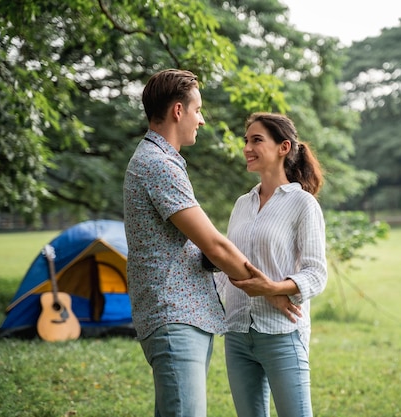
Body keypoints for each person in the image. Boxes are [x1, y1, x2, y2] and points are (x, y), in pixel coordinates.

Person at [123, 69, 280, 417]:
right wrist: (272, 290)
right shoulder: (158, 164)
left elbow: (194, 247)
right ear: (178, 111)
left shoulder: (159, 162)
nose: (202, 119)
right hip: (174, 318)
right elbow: (214, 245)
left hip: (183, 317)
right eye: (198, 110)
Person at [216, 112, 328, 417]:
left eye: (256, 140)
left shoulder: (303, 204)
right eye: (246, 141)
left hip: (282, 333)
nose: (247, 148)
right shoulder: (242, 204)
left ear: (283, 147)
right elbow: (227, 268)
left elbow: (316, 274)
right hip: (237, 334)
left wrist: (273, 288)